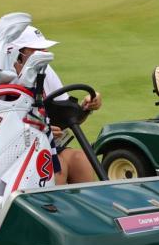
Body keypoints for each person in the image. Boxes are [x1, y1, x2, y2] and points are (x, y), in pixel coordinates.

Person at [11, 26, 103, 184]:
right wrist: (39, 130)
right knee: (57, 169)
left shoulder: (44, 69)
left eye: (44, 48)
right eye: (37, 50)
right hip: (18, 150)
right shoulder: (5, 80)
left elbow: (66, 118)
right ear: (18, 54)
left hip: (49, 144)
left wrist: (86, 108)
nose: (44, 53)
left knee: (82, 160)